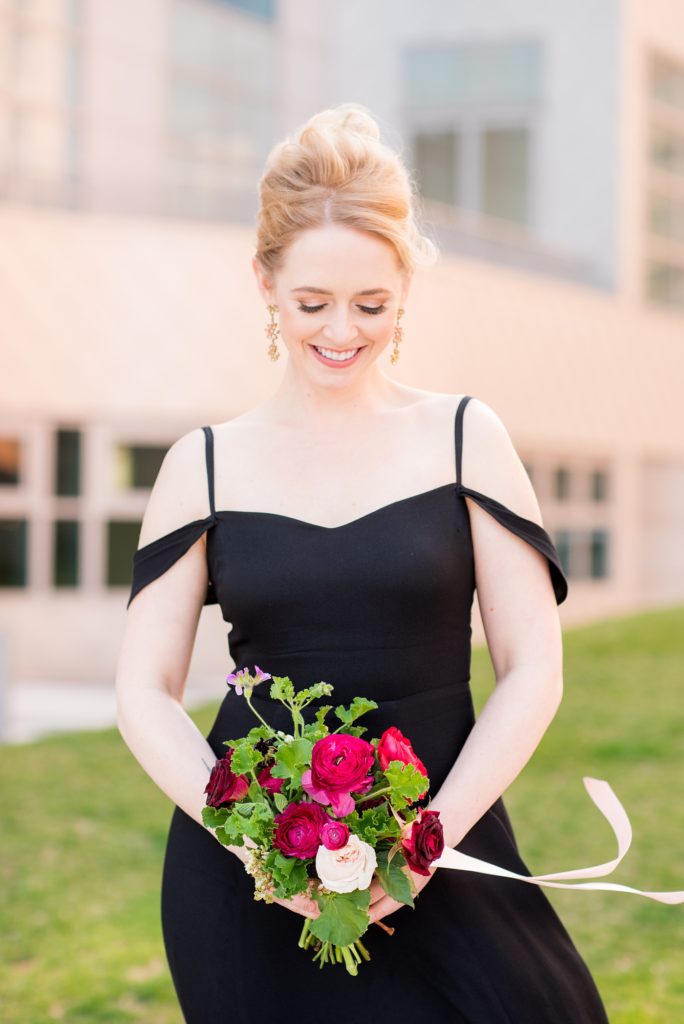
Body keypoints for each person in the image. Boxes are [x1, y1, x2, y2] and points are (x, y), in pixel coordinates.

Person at [115, 102, 609, 1023]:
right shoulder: (203, 464)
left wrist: (427, 843)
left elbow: (534, 667)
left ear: (405, 289)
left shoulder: (465, 437)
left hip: (446, 841)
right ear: (265, 282)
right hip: (251, 883)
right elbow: (143, 691)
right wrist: (256, 848)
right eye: (313, 303)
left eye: (371, 305)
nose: (341, 331)